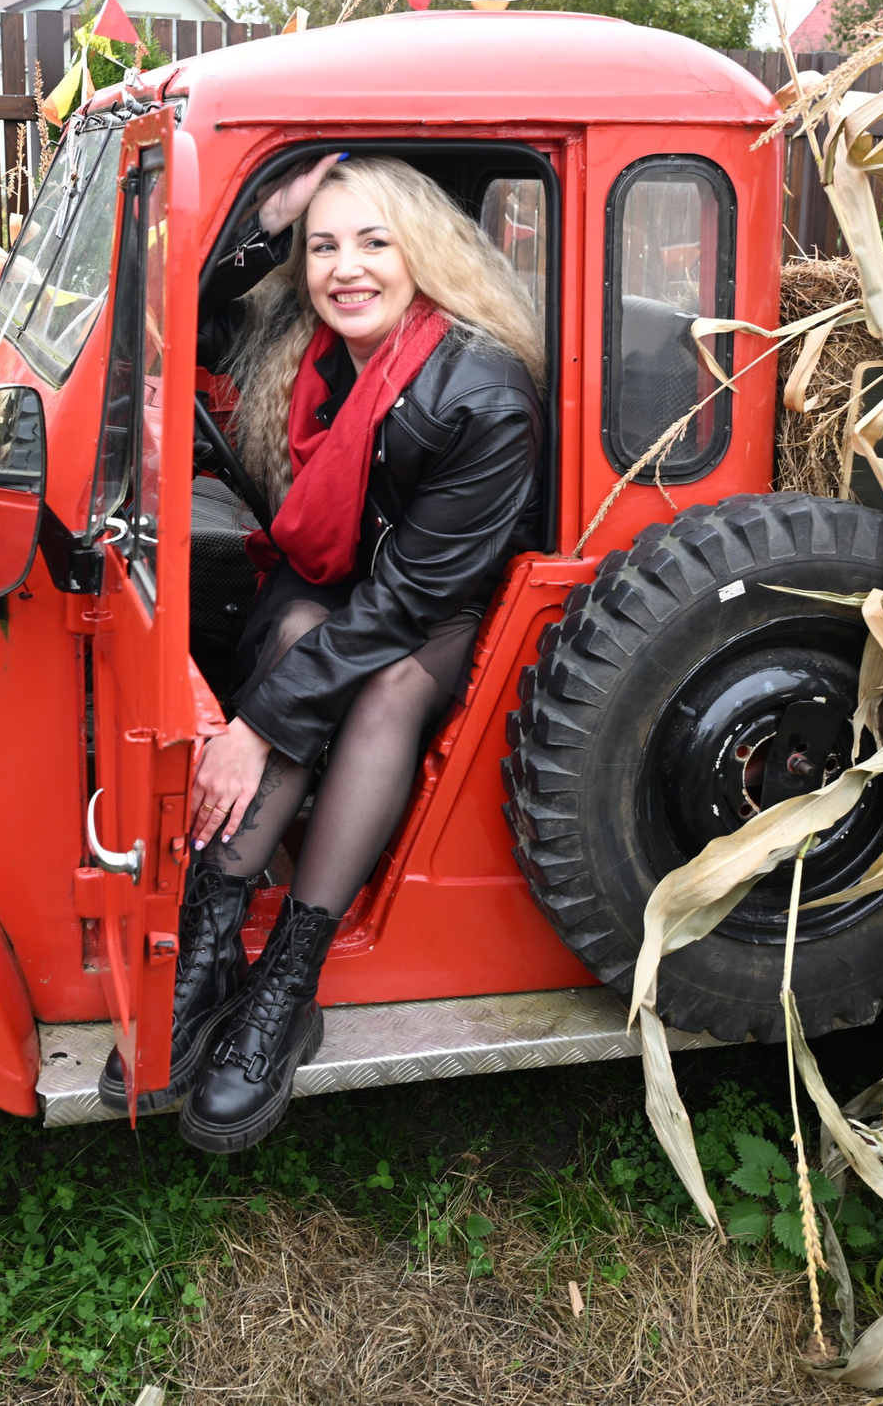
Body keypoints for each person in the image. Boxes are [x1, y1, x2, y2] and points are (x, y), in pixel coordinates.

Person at [98, 154, 545, 1153]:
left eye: (375, 243)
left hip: (438, 610)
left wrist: (253, 728)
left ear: (421, 252)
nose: (346, 268)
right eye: (324, 247)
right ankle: (212, 938)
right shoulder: (311, 344)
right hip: (338, 581)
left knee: (379, 686)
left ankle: (288, 979)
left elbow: (409, 602)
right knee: (304, 632)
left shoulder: (483, 391)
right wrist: (273, 212)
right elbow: (186, 312)